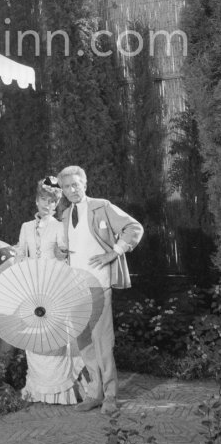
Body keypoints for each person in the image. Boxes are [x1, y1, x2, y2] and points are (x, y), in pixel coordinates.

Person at [57, 165, 144, 415]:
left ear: (84, 183)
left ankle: (110, 397)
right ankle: (95, 393)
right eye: (66, 186)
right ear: (62, 190)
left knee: (103, 342)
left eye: (75, 184)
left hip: (99, 283)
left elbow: (134, 228)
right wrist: (61, 252)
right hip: (75, 286)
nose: (72, 190)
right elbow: (71, 247)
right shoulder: (64, 215)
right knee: (83, 341)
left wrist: (114, 253)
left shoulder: (101, 206)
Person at [16, 176, 85, 405]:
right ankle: (36, 389)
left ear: (57, 205)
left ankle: (61, 392)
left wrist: (61, 255)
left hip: (52, 290)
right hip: (30, 290)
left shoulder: (58, 227)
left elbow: (64, 258)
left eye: (53, 202)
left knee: (54, 340)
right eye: (44, 200)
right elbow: (19, 258)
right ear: (36, 201)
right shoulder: (25, 227)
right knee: (34, 341)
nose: (47, 205)